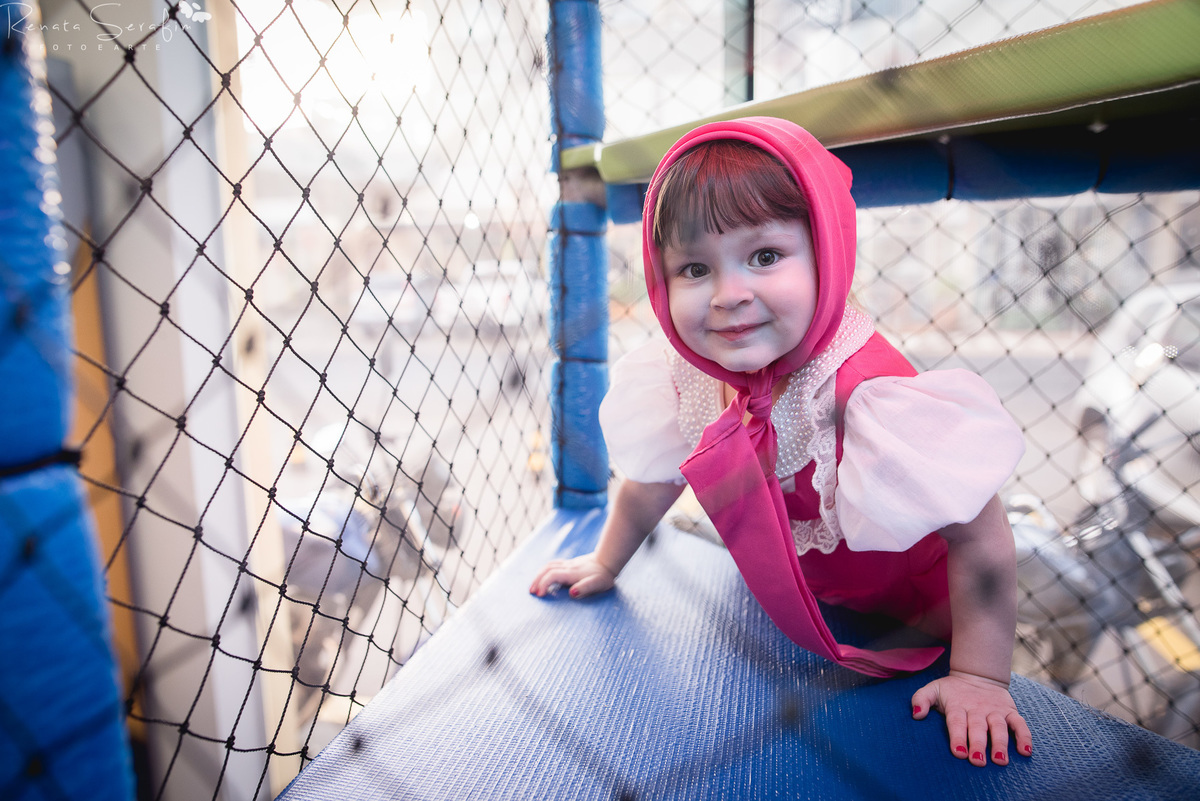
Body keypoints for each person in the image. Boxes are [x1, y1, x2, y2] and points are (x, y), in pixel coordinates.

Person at [529, 117, 1033, 767]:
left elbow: (982, 538)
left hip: (923, 614)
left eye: (764, 256)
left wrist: (981, 677)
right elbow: (656, 481)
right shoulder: (690, 373)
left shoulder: (863, 390)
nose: (729, 294)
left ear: (825, 249)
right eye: (693, 267)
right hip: (806, 597)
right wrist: (606, 562)